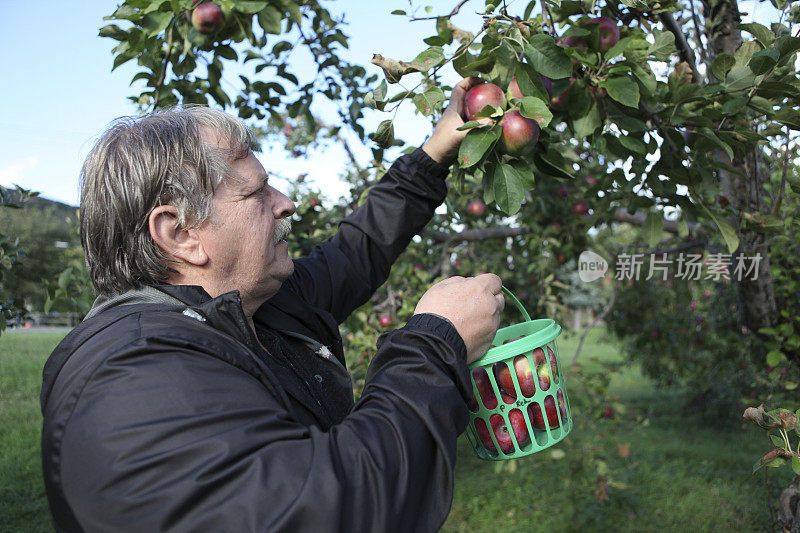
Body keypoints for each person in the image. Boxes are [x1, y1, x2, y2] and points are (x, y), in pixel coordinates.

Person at [40, 77, 505, 532]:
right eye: (256, 191)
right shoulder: (134, 377)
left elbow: (356, 252)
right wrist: (433, 342)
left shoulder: (254, 308)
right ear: (181, 233)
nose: (287, 203)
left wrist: (435, 153)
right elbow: (329, 509)